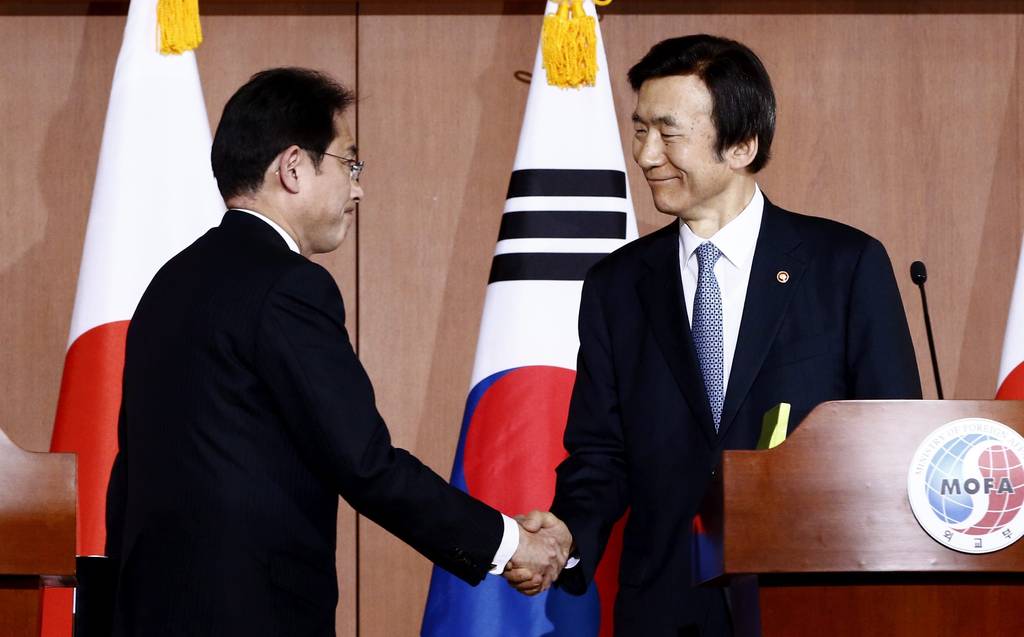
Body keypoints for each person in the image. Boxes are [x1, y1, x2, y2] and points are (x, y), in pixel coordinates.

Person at [104, 67, 567, 637]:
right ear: (293, 167)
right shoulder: (286, 285)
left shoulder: (168, 284)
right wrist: (508, 544)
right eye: (350, 164)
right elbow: (364, 463)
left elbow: (130, 473)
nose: (357, 188)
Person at [510, 35, 922, 635]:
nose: (645, 154)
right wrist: (566, 534)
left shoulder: (845, 265)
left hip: (811, 604)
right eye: (640, 130)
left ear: (741, 145)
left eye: (668, 133)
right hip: (665, 608)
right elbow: (601, 455)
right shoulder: (616, 285)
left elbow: (893, 440)